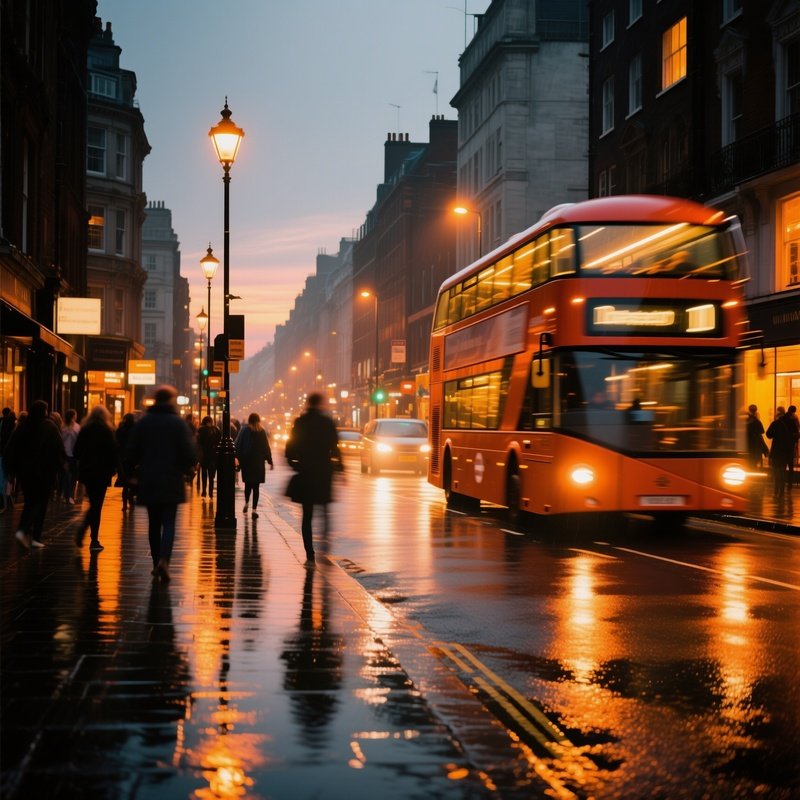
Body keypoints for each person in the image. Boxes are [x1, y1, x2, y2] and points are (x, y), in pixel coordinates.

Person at [125, 385, 197, 581]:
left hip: (149, 479)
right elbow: (190, 454)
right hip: (171, 480)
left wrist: (132, 474)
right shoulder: (178, 423)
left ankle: (156, 562)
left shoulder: (144, 422)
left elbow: (130, 451)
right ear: (171, 400)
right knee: (169, 523)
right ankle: (165, 560)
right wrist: (185, 468)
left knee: (154, 524)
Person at [285, 393, 341, 563]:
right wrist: (339, 467)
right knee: (324, 512)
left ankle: (310, 552)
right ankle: (325, 546)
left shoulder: (300, 422)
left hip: (306, 472)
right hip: (323, 471)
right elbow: (335, 447)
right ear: (320, 404)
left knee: (307, 515)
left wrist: (295, 464)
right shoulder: (327, 422)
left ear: (308, 403)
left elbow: (290, 448)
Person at [3, 400, 66, 549]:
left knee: (30, 501)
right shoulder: (49, 426)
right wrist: (60, 467)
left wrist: (11, 469)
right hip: (44, 472)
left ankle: (24, 531)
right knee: (40, 502)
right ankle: (32, 534)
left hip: (25, 472)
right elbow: (59, 448)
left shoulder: (23, 426)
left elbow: (10, 448)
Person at [73, 405, 117, 552]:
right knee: (97, 505)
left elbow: (76, 452)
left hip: (87, 473)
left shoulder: (85, 430)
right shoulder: (107, 430)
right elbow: (112, 452)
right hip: (102, 473)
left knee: (94, 503)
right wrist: (113, 469)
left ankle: (88, 534)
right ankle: (92, 538)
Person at [234, 412, 274, 518]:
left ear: (249, 420)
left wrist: (237, 458)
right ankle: (254, 510)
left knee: (248, 485)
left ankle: (247, 503)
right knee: (256, 487)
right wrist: (270, 461)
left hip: (247, 463)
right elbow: (266, 447)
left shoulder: (244, 431)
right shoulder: (262, 432)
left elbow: (238, 444)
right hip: (258, 463)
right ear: (258, 420)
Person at [766, 407, 796, 499]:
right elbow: (796, 435)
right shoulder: (792, 423)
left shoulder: (776, 423)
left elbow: (768, 435)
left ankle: (776, 490)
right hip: (786, 451)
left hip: (776, 451)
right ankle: (782, 491)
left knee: (776, 471)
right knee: (782, 470)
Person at [115, 412, 137, 511]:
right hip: (133, 460)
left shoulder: (120, 430)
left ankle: (124, 504)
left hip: (123, 459)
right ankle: (131, 500)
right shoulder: (136, 430)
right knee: (133, 482)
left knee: (125, 484)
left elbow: (116, 444)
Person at [197, 415, 221, 498]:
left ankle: (204, 491)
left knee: (204, 474)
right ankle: (210, 492)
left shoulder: (201, 430)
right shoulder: (216, 430)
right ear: (211, 422)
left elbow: (198, 442)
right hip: (213, 455)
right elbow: (219, 441)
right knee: (211, 475)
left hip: (204, 455)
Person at [60, 408, 80, 503]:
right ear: (74, 416)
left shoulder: (62, 427)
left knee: (67, 475)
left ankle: (66, 494)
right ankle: (69, 494)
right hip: (71, 454)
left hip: (66, 454)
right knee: (71, 475)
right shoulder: (77, 427)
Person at [745, 404, 768, 470]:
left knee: (749, 462)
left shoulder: (746, 421)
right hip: (756, 445)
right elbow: (762, 431)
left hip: (748, 444)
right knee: (755, 462)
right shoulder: (757, 421)